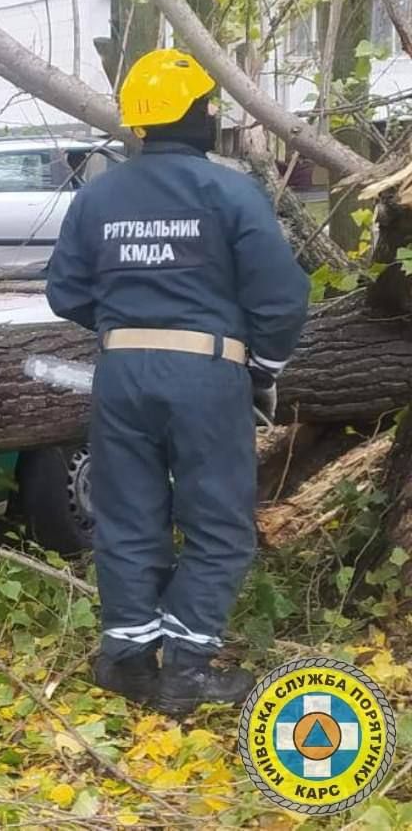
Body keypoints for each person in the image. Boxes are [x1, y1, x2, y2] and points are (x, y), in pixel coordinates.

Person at [45, 49, 309, 716]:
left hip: (122, 372)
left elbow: (65, 292)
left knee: (129, 519)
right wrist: (264, 369)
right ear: (200, 114)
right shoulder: (229, 192)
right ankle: (186, 670)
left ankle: (128, 662)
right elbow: (281, 298)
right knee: (218, 525)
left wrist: (128, 326)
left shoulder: (99, 194)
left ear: (139, 124)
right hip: (207, 372)